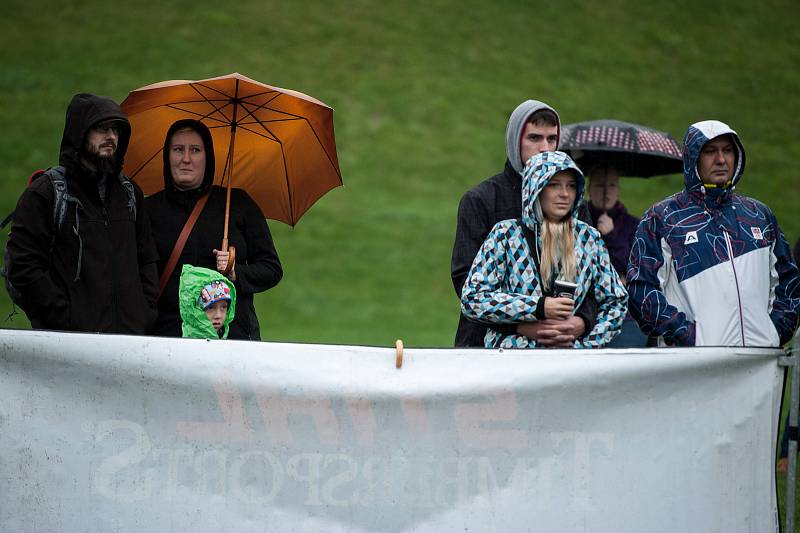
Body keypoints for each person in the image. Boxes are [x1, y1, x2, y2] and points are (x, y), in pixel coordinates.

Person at [627, 120, 800, 347]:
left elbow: (789, 282)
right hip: (693, 366)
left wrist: (774, 332)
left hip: (759, 363)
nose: (721, 159)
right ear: (693, 158)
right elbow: (642, 291)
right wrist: (689, 338)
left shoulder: (759, 215)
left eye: (727, 150)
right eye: (710, 151)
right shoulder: (663, 218)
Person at [6, 93, 158, 333]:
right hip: (69, 346)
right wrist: (64, 318)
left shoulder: (130, 193)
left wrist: (145, 312)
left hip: (130, 342)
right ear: (79, 133)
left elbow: (147, 261)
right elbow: (23, 268)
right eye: (101, 128)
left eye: (116, 130)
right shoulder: (46, 194)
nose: (111, 137)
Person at [451, 100, 595, 348]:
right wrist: (521, 325)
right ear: (514, 141)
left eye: (552, 139)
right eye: (535, 138)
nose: (544, 148)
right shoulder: (481, 200)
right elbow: (467, 283)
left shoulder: (574, 203)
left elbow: (593, 274)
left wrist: (583, 320)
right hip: (487, 346)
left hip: (561, 346)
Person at [461, 151, 627, 349]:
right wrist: (538, 307)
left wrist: (583, 338)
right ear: (535, 188)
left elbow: (616, 301)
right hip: (512, 363)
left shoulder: (589, 238)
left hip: (573, 365)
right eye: (553, 184)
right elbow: (473, 298)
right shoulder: (505, 234)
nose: (564, 194)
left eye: (571, 186)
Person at [146, 119, 283, 340]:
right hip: (168, 340)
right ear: (167, 156)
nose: (186, 159)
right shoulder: (148, 211)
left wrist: (235, 271)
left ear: (207, 157)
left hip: (230, 340)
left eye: (196, 150)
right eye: (178, 150)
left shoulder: (237, 204)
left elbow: (272, 269)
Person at [585, 163, 647, 347]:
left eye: (611, 185)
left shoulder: (634, 225)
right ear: (588, 190)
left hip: (627, 317)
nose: (606, 191)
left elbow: (637, 270)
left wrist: (611, 236)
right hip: (588, 314)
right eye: (599, 185)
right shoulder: (580, 222)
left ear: (618, 190)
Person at [179, 264, 236, 339]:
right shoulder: (182, 348)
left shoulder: (225, 344)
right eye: (210, 307)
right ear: (194, 309)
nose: (218, 316)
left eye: (223, 307)